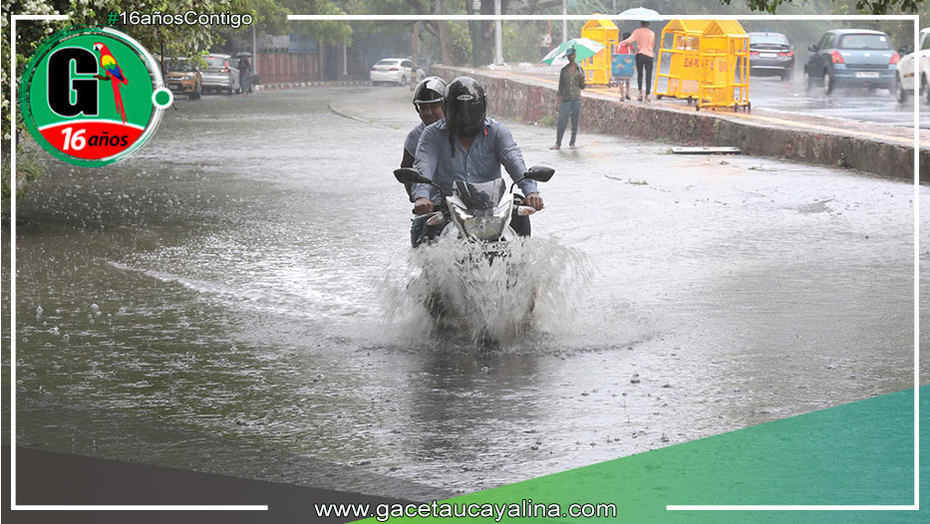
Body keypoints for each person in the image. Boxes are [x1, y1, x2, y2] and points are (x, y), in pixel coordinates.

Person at [410, 76, 543, 245]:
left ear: (482, 107)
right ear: (447, 108)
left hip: (492, 207)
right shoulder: (432, 135)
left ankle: (521, 266)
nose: (465, 118)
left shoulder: (497, 131)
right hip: (447, 206)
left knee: (520, 217)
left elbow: (514, 160)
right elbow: (424, 167)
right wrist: (422, 198)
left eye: (470, 112)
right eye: (459, 112)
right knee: (422, 228)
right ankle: (430, 270)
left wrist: (531, 192)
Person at [400, 77, 446, 203]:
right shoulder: (414, 137)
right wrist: (417, 197)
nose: (429, 112)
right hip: (431, 205)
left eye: (434, 107)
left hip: (461, 203)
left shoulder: (459, 131)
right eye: (424, 108)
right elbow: (406, 167)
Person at [551, 46, 585, 150]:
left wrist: (582, 79)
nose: (570, 57)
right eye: (568, 56)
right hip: (565, 99)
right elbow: (560, 87)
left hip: (576, 99)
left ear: (574, 55)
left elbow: (582, 86)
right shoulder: (564, 70)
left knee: (575, 122)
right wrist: (558, 103)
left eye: (572, 55)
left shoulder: (580, 70)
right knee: (561, 121)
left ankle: (572, 143)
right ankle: (558, 143)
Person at [618, 21, 655, 102]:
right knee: (648, 76)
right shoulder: (652, 33)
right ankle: (647, 95)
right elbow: (652, 45)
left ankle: (640, 93)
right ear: (648, 24)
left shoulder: (637, 31)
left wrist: (621, 44)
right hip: (649, 55)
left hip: (640, 55)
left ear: (641, 24)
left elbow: (629, 40)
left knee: (640, 75)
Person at [615, 32, 633, 101]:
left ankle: (622, 96)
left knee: (621, 82)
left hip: (620, 66)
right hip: (627, 66)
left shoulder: (619, 45)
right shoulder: (629, 46)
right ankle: (627, 94)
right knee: (627, 81)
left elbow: (616, 55)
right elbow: (631, 55)